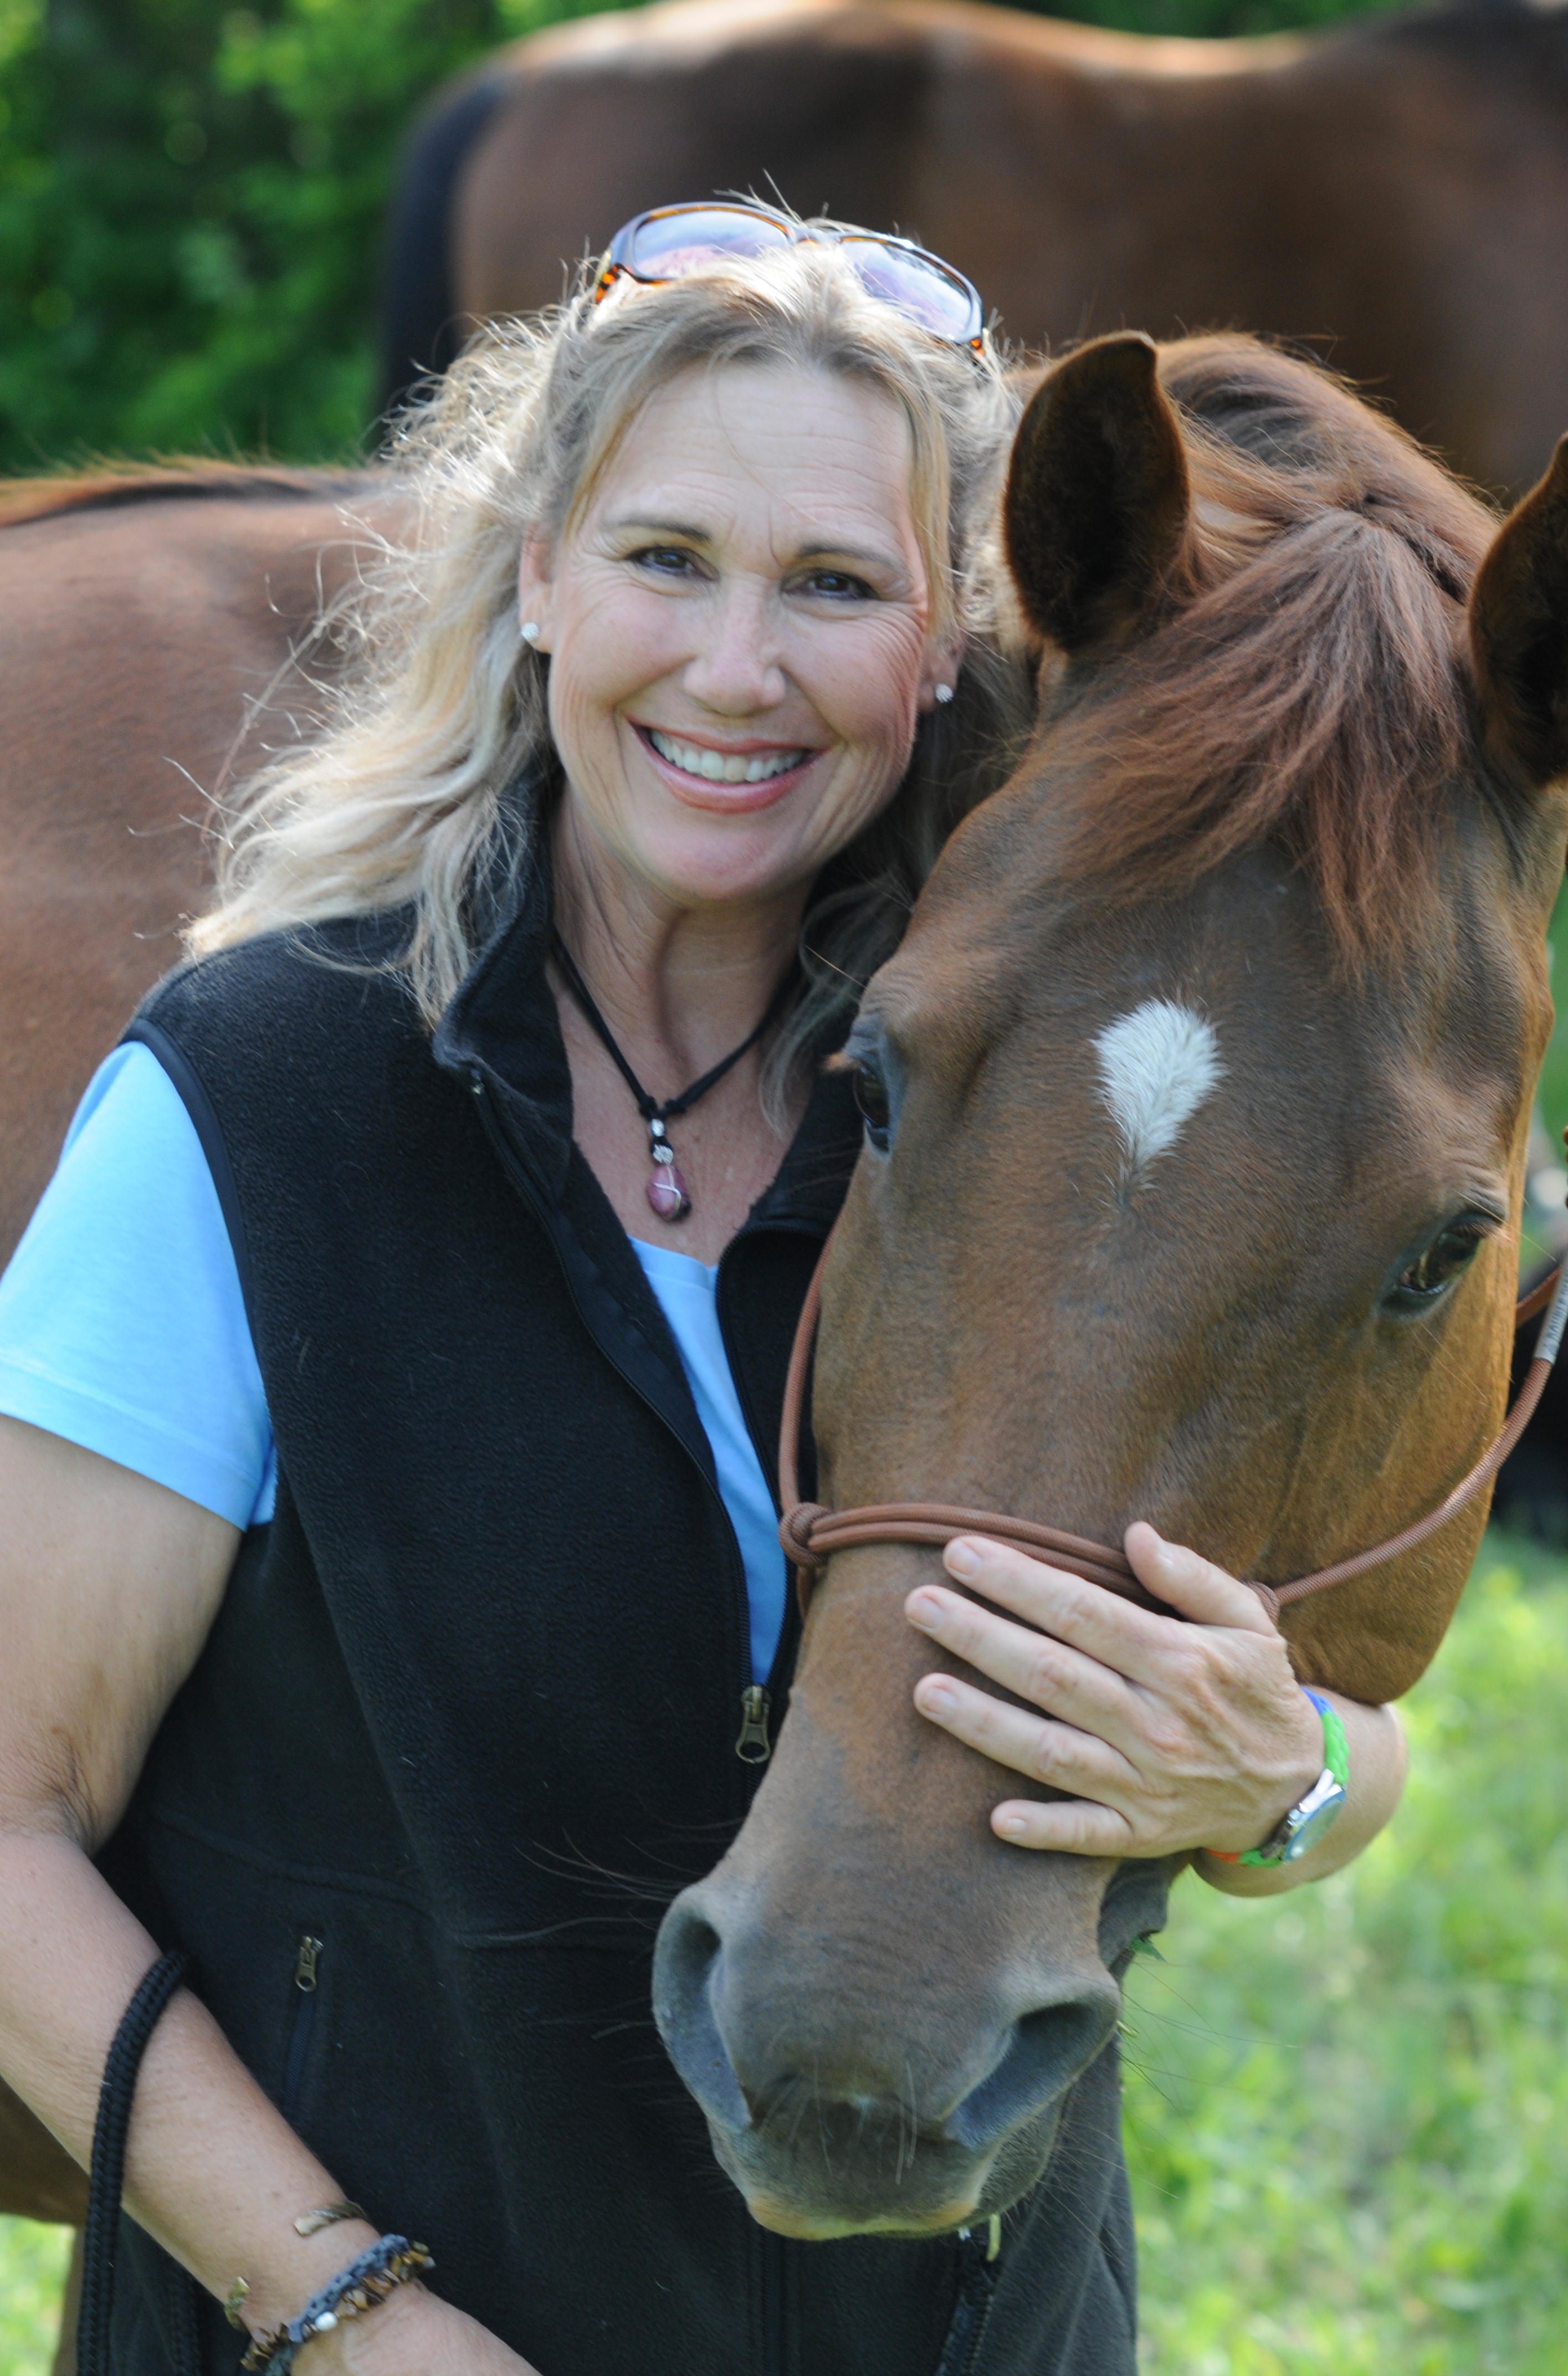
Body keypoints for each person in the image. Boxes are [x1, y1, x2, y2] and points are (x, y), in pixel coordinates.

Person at [0, 208, 1406, 2376]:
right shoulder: (249, 1107)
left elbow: (1296, 1697)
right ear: (537, 573)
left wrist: (1292, 1771)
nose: (738, 668)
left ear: (948, 644)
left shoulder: (1010, 1111)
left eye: (836, 586)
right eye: (667, 558)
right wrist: (336, 2307)